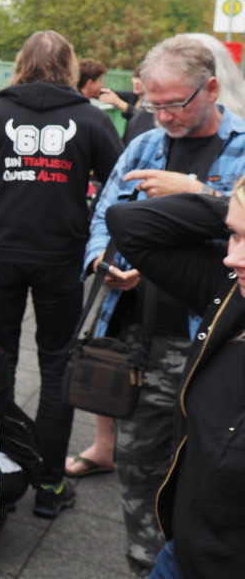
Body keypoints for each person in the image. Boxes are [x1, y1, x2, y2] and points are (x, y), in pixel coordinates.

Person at [79, 33, 245, 577]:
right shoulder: (145, 143)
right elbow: (107, 214)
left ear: (211, 89)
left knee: (206, 462)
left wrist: (195, 191)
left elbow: (236, 228)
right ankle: (146, 561)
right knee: (139, 457)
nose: (165, 116)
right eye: (154, 105)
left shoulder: (242, 145)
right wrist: (103, 261)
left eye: (175, 104)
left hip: (210, 336)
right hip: (141, 333)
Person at [0, 30, 123, 519]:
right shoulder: (91, 118)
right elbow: (118, 186)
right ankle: (50, 486)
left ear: (21, 64)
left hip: (2, 256)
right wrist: (82, 224)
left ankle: (3, 473)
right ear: (69, 67)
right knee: (56, 368)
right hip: (61, 257)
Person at [105, 183, 245, 579]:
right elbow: (128, 222)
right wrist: (224, 199)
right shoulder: (232, 292)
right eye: (234, 235)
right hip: (181, 554)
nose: (232, 258)